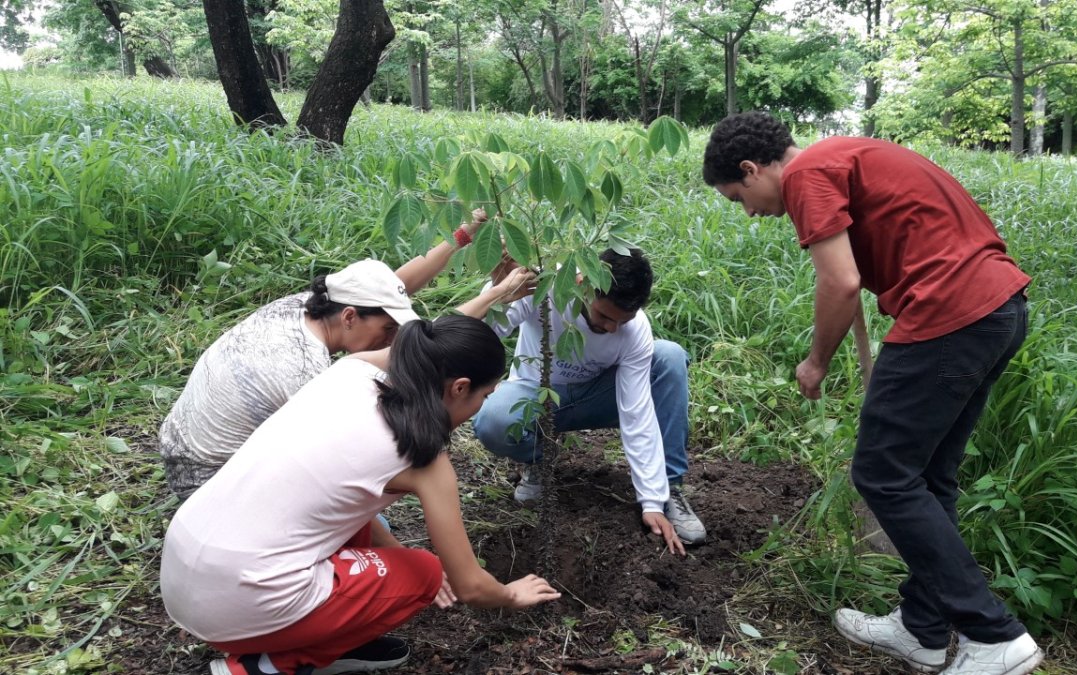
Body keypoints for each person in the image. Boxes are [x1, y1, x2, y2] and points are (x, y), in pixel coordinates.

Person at [703, 112, 1042, 675]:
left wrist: (816, 362)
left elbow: (840, 281)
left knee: (883, 474)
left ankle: (993, 635)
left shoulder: (806, 174)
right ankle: (923, 628)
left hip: (949, 312)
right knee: (927, 478)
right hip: (997, 309)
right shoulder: (844, 156)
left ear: (751, 168)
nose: (750, 211)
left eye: (739, 197)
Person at [160, 316, 561, 675]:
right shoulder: (425, 460)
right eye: (485, 396)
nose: (480, 406)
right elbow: (471, 587)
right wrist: (511, 594)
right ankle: (269, 665)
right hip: (235, 605)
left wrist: (392, 555)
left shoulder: (350, 372)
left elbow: (345, 498)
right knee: (424, 573)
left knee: (365, 532)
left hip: (184, 570)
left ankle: (330, 635)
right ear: (460, 388)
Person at [159, 209, 535, 501]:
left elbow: (395, 287)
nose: (392, 338)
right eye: (388, 329)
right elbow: (422, 348)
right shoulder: (305, 372)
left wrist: (464, 236)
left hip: (183, 451)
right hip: (211, 485)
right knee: (357, 509)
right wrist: (494, 295)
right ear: (351, 317)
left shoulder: (303, 307)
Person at [472, 248, 707, 555]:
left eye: (622, 321)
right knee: (494, 419)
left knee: (668, 356)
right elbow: (483, 334)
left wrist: (651, 501)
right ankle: (538, 458)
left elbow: (637, 414)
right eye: (605, 316)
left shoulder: (635, 330)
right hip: (534, 395)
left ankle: (669, 489)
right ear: (583, 284)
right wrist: (499, 291)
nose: (611, 328)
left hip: (596, 399)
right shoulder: (543, 283)